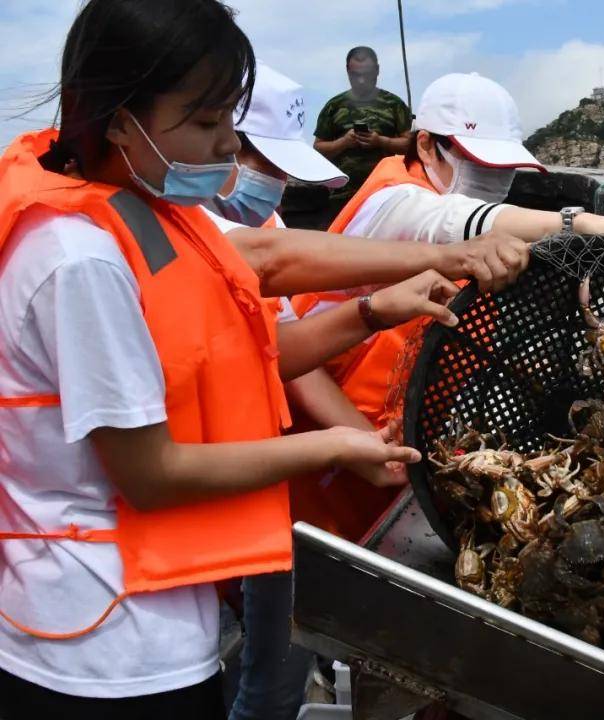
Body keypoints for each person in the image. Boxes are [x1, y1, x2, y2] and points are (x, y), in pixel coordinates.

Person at [0, 3, 527, 718]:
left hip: (153, 621)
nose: (223, 148)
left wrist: (394, 294)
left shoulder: (137, 208)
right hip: (94, 649)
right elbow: (150, 475)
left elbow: (262, 267)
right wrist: (328, 446)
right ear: (119, 117)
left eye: (230, 124)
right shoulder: (79, 260)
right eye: (204, 123)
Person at [290, 72, 604, 539]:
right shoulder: (390, 203)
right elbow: (459, 220)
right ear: (425, 146)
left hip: (397, 461)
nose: (493, 181)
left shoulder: (481, 243)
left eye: (503, 170)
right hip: (317, 455)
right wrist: (591, 224)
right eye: (480, 165)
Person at [204, 62, 380, 720]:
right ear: (220, 139)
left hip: (256, 481)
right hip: (185, 481)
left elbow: (287, 356)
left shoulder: (266, 216)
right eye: (265, 163)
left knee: (277, 644)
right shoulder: (184, 221)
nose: (274, 183)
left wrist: (362, 443)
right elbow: (268, 264)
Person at [313, 46, 412, 219]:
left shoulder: (394, 104)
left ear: (377, 71)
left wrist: (380, 141)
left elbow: (410, 145)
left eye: (366, 75)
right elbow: (318, 148)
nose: (361, 81)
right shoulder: (334, 106)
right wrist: (343, 142)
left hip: (385, 193)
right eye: (355, 75)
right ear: (347, 71)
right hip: (343, 197)